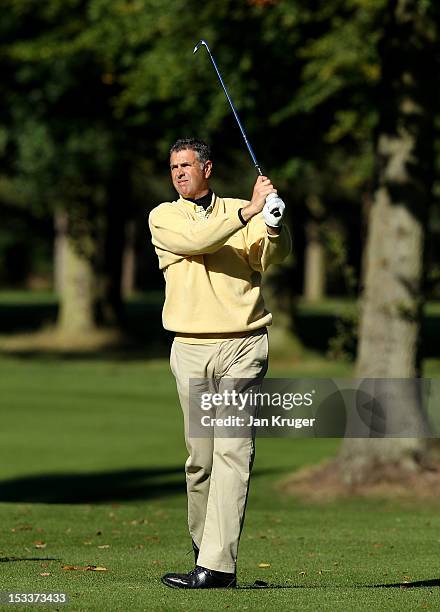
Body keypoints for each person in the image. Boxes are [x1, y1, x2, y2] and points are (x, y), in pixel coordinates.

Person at [148, 138, 291, 589]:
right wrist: (250, 212)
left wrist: (272, 224)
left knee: (233, 451)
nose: (178, 173)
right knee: (201, 461)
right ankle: (204, 546)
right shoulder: (164, 216)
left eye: (187, 165)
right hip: (190, 348)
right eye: (173, 166)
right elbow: (198, 241)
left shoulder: (240, 207)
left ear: (207, 167)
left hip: (243, 346)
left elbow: (270, 258)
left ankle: (217, 566)